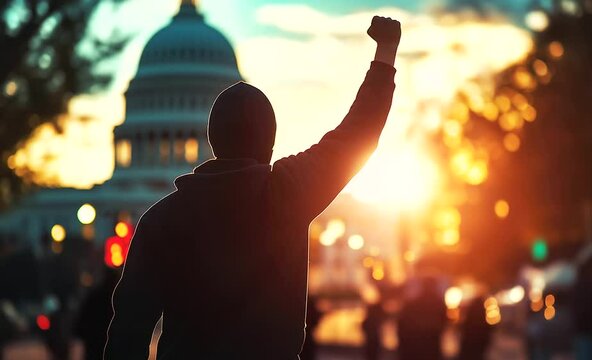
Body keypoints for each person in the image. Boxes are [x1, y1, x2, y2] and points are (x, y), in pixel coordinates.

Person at [104, 16, 401, 359]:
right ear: (269, 145)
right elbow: (356, 135)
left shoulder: (162, 219)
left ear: (213, 140)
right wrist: (386, 52)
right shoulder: (289, 193)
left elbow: (128, 331)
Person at [397, 277, 446, 360]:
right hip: (430, 342)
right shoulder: (439, 303)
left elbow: (402, 324)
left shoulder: (413, 304)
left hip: (418, 344)